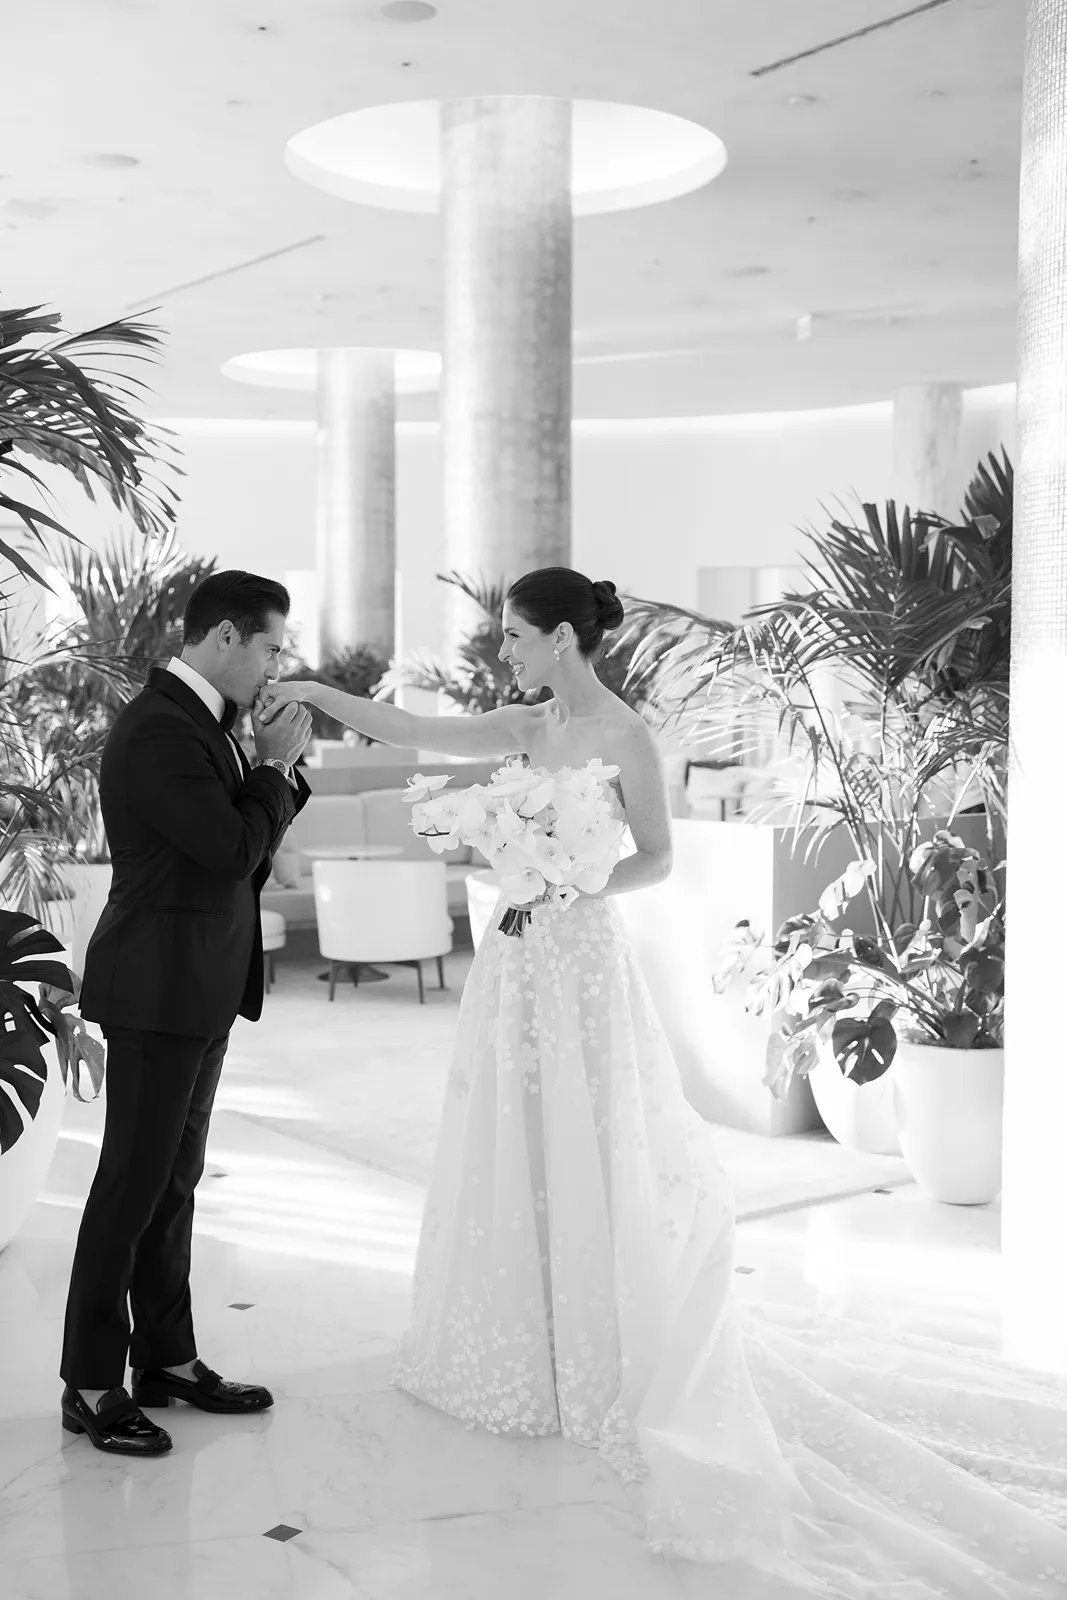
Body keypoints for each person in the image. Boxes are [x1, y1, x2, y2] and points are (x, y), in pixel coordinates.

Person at [259, 567, 1067, 1598]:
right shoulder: (524, 723)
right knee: (512, 1131)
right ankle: (524, 1338)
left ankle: (596, 1344)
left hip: (579, 955)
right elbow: (414, 732)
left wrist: (564, 874)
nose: (502, 653)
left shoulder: (622, 737)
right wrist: (322, 701)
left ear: (560, 637)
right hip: (512, 960)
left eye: (513, 635)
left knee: (591, 1141)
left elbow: (653, 858)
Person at [61, 570, 314, 1456]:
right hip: (157, 988)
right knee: (130, 1186)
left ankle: (165, 1360)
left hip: (197, 985)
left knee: (172, 1184)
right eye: (272, 645)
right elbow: (227, 848)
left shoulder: (208, 722)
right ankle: (91, 1381)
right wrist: (277, 769)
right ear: (226, 639)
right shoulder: (160, 727)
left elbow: (243, 846)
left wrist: (272, 768)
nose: (277, 663)